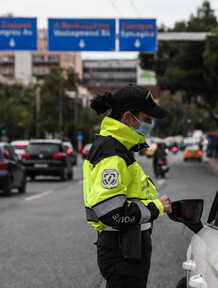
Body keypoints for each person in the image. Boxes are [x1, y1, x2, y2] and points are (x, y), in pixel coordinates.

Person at [83, 84, 173, 288]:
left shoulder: (118, 149)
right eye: (147, 119)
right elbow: (111, 212)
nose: (150, 125)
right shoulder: (112, 153)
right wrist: (157, 207)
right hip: (122, 251)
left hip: (126, 248)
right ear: (127, 117)